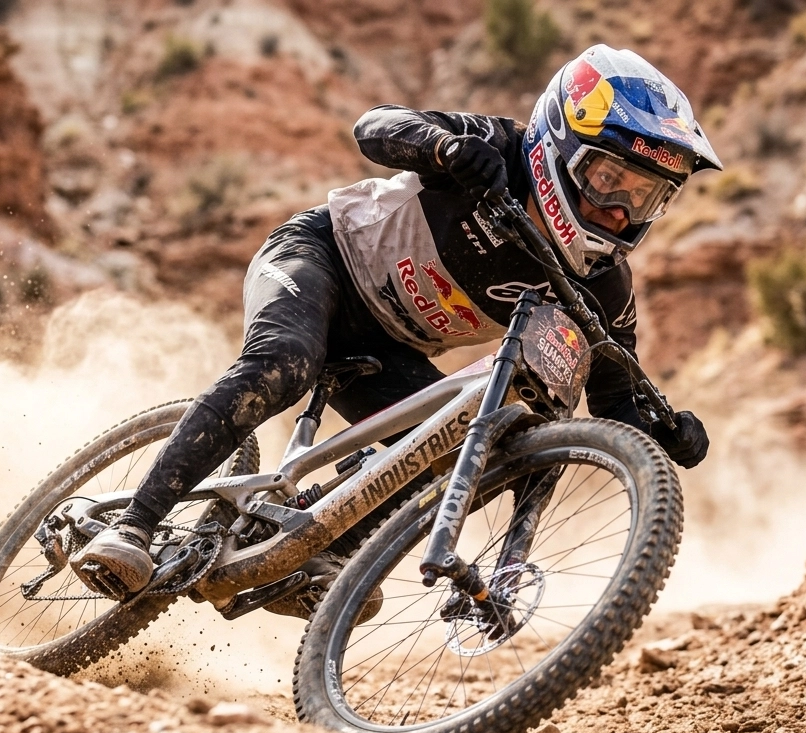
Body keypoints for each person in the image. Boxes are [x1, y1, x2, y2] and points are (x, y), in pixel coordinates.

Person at [71, 44, 720, 602]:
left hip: (385, 347)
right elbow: (373, 127)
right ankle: (134, 523)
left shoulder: (602, 281)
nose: (618, 210)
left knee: (455, 447)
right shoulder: (501, 147)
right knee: (282, 363)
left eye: (646, 196)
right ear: (560, 144)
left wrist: (662, 435)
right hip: (321, 257)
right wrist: (442, 147)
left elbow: (613, 401)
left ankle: (315, 553)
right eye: (609, 178)